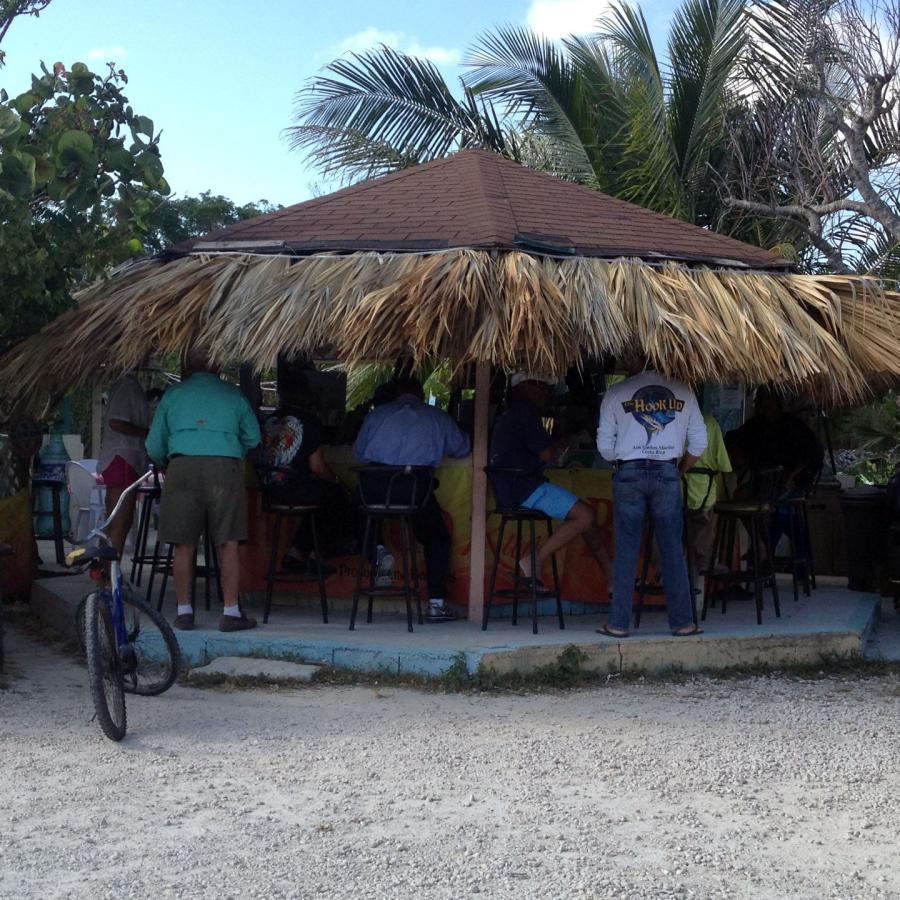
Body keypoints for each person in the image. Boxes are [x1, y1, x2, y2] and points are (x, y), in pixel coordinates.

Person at [145, 347, 261, 632]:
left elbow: (153, 446)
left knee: (183, 543)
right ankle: (231, 612)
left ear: (187, 366)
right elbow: (254, 438)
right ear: (218, 365)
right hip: (225, 466)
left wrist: (167, 461)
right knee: (228, 541)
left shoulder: (173, 395)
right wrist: (228, 450)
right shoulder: (233, 395)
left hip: (182, 466)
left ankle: (184, 611)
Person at [597, 360, 707, 637]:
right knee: (671, 548)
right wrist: (679, 469)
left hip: (629, 472)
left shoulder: (617, 392)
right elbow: (699, 442)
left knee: (626, 549)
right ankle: (683, 623)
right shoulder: (684, 391)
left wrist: (621, 462)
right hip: (667, 471)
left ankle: (618, 624)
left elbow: (604, 446)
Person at [352, 376, 470, 623]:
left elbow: (359, 453)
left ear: (395, 393)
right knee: (437, 538)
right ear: (420, 393)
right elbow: (462, 449)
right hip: (414, 491)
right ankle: (436, 605)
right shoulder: (437, 417)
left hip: (373, 489)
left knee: (361, 510)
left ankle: (377, 549)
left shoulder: (377, 415)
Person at [489, 373, 611, 591]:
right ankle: (535, 559)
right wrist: (564, 441)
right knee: (585, 515)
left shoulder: (511, 413)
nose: (544, 391)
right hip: (524, 487)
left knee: (588, 518)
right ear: (523, 387)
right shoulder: (524, 413)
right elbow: (546, 455)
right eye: (539, 385)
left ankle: (612, 577)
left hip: (512, 487)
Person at [261, 373, 356, 573]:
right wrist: (339, 481)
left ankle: (296, 553)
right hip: (296, 490)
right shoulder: (309, 421)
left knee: (319, 502)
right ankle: (317, 556)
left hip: (270, 491)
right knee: (337, 496)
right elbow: (318, 467)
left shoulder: (269, 420)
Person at [96, 373, 150, 558]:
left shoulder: (131, 385)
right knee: (120, 519)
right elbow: (117, 422)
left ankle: (105, 572)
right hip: (123, 456)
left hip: (127, 457)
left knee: (116, 519)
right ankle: (111, 576)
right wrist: (146, 432)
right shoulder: (126, 386)